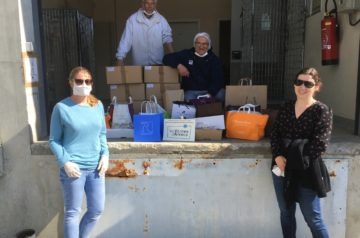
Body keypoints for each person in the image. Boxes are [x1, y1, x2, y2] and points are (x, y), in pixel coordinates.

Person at [270, 67, 333, 238]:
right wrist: (278, 156)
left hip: (307, 171)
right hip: (281, 169)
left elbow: (319, 144)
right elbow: (275, 134)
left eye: (308, 83)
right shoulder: (286, 107)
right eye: (299, 82)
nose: (302, 87)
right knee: (286, 213)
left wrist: (288, 158)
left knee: (313, 218)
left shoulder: (321, 110)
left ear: (316, 87)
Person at [49, 66, 109, 238]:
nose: (84, 84)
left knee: (96, 210)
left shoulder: (97, 105)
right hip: (73, 170)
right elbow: (54, 140)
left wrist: (105, 155)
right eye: (79, 81)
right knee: (72, 213)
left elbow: (102, 134)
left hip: (96, 169)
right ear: (70, 82)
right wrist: (65, 162)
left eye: (87, 81)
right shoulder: (61, 108)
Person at [162, 32, 225, 101]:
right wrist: (179, 65)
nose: (201, 46)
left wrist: (209, 95)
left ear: (208, 46)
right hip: (192, 91)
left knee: (221, 94)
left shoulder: (214, 60)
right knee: (187, 98)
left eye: (204, 44)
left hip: (208, 91)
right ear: (194, 44)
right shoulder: (187, 54)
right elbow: (166, 58)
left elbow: (218, 80)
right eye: (198, 43)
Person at [115, 0, 174, 66]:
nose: (149, 6)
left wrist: (174, 57)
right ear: (142, 4)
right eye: (147, 3)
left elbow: (167, 37)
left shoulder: (161, 20)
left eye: (152, 3)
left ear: (155, 5)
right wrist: (120, 58)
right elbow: (126, 40)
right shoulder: (132, 20)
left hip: (157, 64)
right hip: (139, 64)